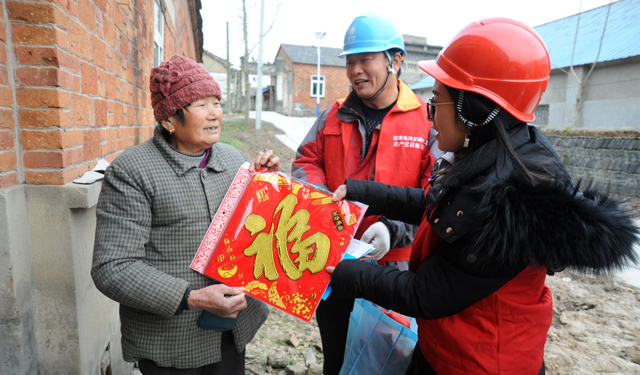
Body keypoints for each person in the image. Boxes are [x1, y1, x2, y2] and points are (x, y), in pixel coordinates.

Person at [327, 18, 639, 375]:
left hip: (479, 363)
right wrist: (361, 191)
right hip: (449, 346)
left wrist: (346, 273)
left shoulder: (510, 202)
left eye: (436, 103)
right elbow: (435, 205)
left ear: (471, 110)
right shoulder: (492, 155)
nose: (430, 119)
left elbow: (425, 294)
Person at [91, 55, 281, 374]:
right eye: (200, 105)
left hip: (234, 326)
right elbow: (112, 267)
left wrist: (269, 185)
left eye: (216, 102)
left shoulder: (233, 159)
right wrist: (191, 297)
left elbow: (255, 231)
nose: (214, 114)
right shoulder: (132, 171)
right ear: (168, 120)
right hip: (171, 343)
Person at [291, 12, 441, 374]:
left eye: (365, 59)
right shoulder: (333, 116)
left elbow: (435, 194)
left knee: (388, 361)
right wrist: (320, 205)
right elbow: (305, 160)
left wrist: (393, 228)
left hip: (398, 271)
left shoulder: (427, 122)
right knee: (338, 357)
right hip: (335, 263)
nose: (355, 70)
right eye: (350, 61)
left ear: (396, 61)